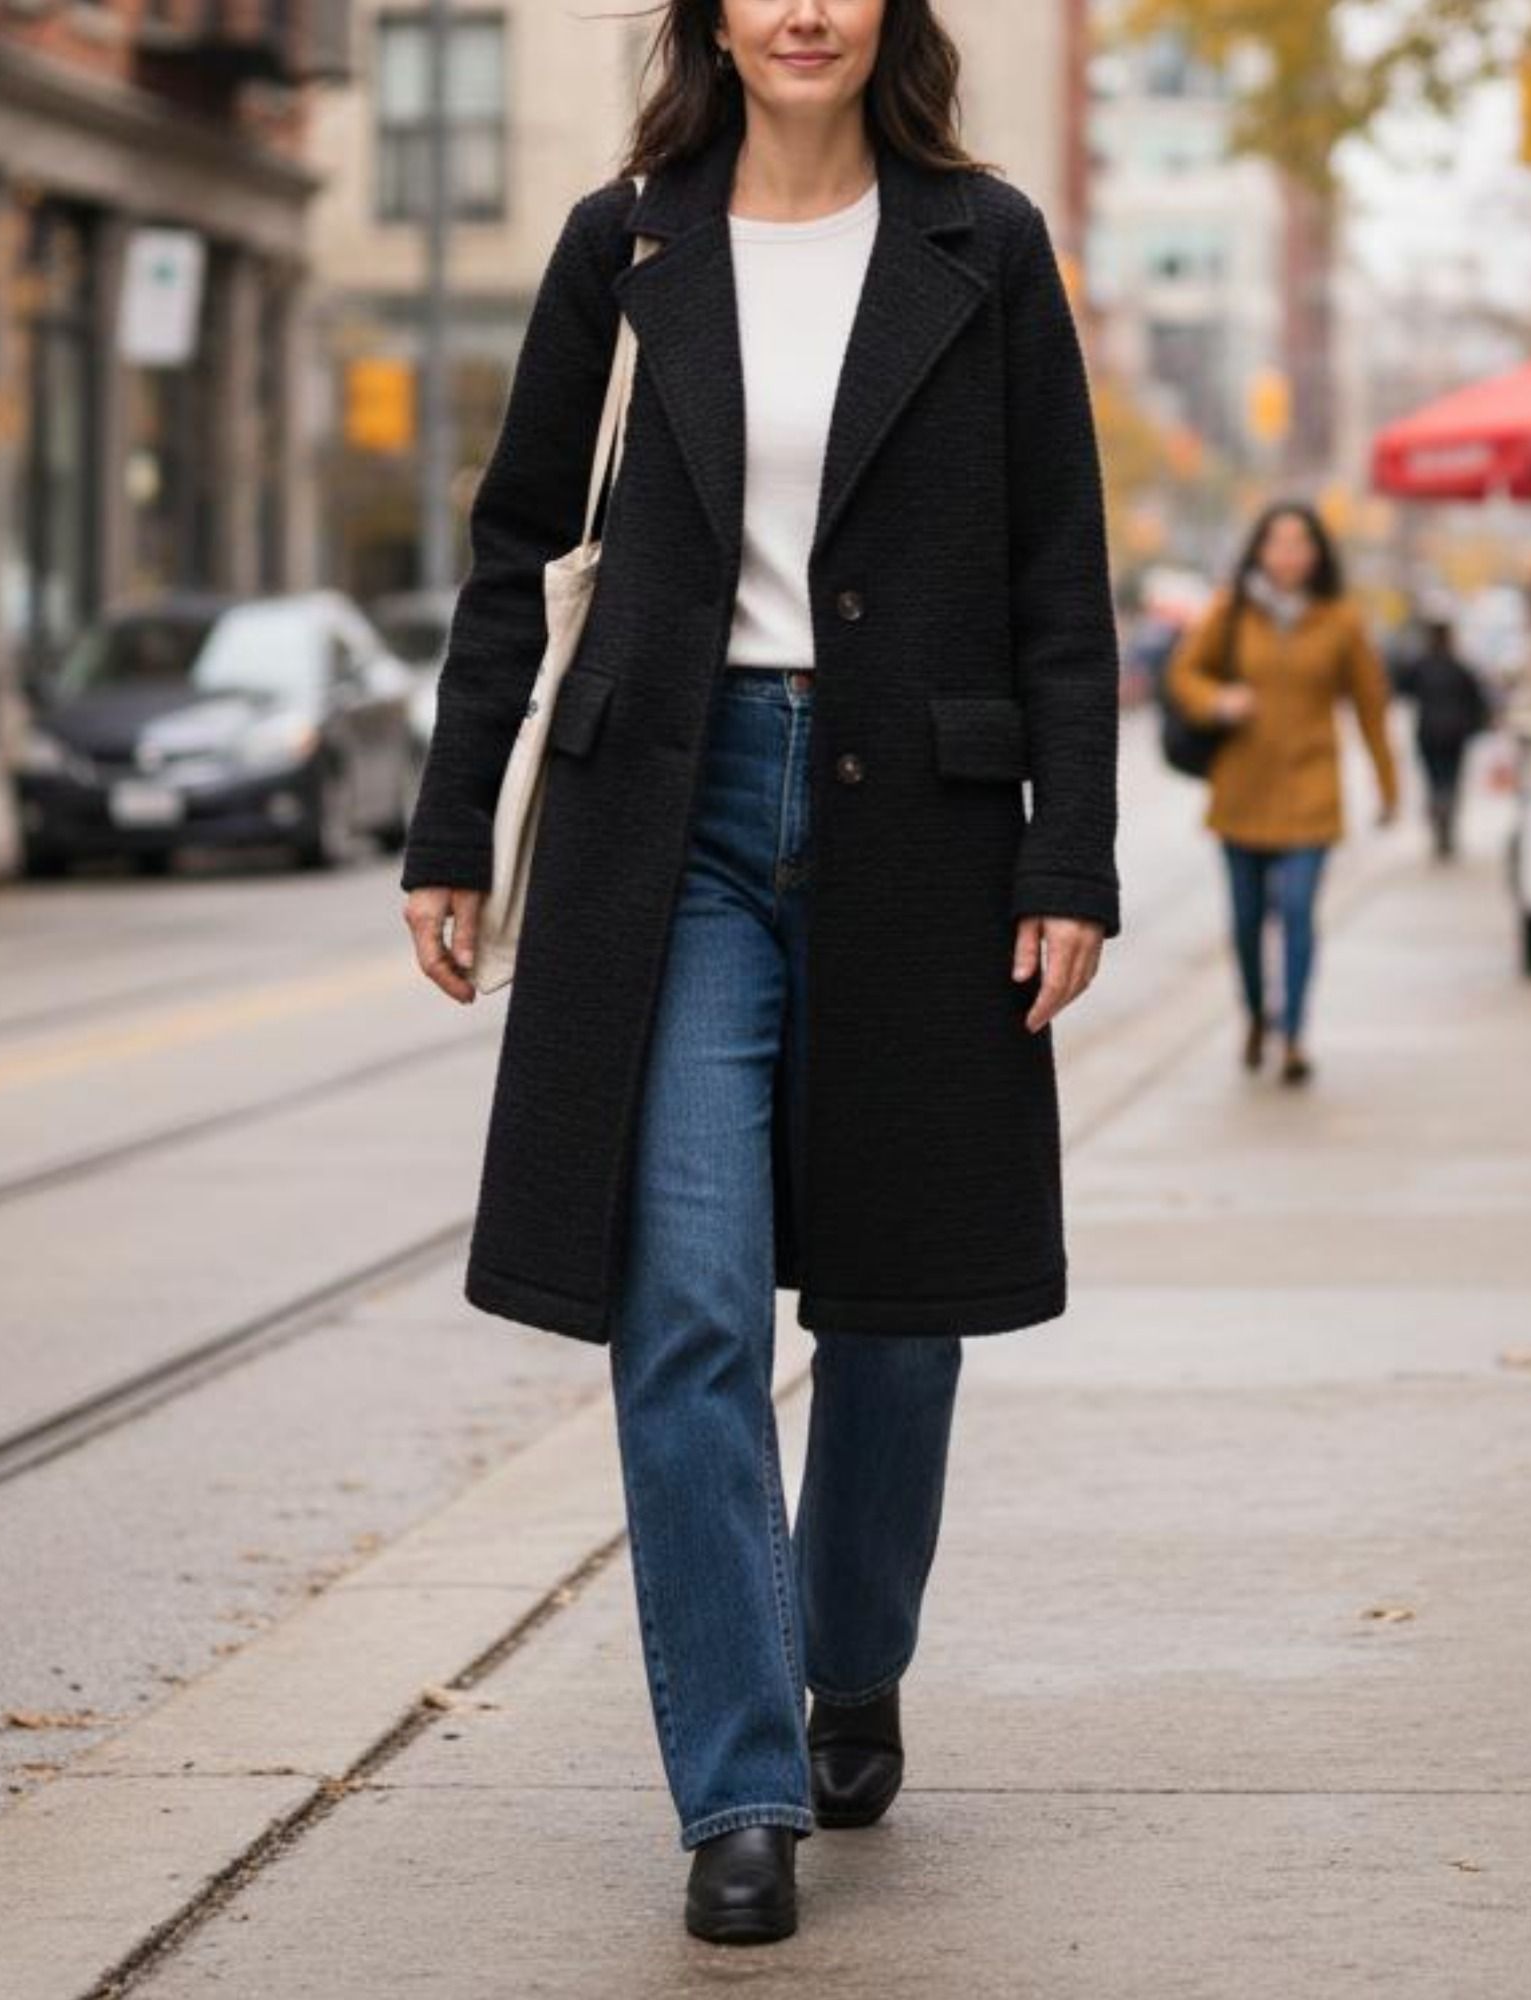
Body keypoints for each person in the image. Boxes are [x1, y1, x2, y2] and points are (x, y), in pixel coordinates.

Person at [398, 0, 1120, 1947]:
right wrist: (453, 820)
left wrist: (1068, 854)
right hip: (675, 817)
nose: (803, 8)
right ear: (714, 11)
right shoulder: (623, 239)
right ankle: (738, 1778)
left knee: (901, 1297)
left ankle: (853, 1649)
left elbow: (1064, 571)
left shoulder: (983, 243)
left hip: (923, 822)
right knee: (690, 1295)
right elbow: (514, 543)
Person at [1165, 501, 1398, 1086]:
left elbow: (1371, 707)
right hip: (1242, 787)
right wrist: (1218, 700)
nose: (1289, 555)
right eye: (1278, 543)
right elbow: (1183, 673)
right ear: (1260, 551)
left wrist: (1388, 783)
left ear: (1317, 553)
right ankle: (1254, 1015)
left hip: (1311, 789)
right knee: (1246, 922)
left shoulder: (1341, 620)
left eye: (1300, 543)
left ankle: (1292, 1033)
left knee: (1296, 913)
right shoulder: (1231, 610)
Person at [1392, 608, 1492, 859]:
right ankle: (1445, 820)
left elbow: (1402, 689)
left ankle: (1439, 815)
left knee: (1434, 780)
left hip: (1429, 733)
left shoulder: (1421, 665)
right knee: (1451, 780)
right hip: (1455, 734)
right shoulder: (1460, 667)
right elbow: (1478, 700)